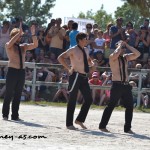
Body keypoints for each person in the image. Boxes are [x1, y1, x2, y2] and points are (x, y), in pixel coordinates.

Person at [99, 40, 140, 134]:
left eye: (123, 48)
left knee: (130, 107)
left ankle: (127, 128)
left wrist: (127, 45)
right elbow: (115, 54)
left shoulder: (125, 57)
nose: (123, 49)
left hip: (126, 85)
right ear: (117, 48)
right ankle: (102, 126)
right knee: (111, 106)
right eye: (121, 48)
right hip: (117, 85)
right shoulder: (112, 57)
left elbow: (137, 53)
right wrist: (119, 46)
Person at [58, 32, 95, 130]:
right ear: (80, 40)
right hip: (75, 76)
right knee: (72, 100)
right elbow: (60, 58)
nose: (86, 41)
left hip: (84, 77)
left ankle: (79, 120)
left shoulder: (86, 50)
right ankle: (69, 124)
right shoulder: (73, 49)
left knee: (89, 99)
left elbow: (88, 60)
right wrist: (68, 68)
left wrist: (92, 64)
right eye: (85, 39)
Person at [2, 22, 38, 121]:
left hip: (21, 72)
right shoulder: (8, 45)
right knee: (8, 93)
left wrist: (33, 34)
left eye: (20, 36)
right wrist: (18, 33)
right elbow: (10, 43)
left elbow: (35, 45)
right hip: (12, 71)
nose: (20, 37)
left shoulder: (23, 46)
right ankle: (5, 114)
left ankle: (15, 115)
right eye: (19, 36)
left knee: (18, 94)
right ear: (14, 36)